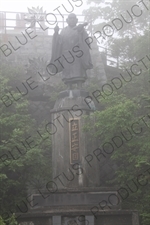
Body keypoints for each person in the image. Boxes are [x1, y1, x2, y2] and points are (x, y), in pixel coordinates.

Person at [49, 13, 93, 89]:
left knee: (78, 70)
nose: (72, 20)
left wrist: (81, 32)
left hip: (77, 54)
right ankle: (69, 86)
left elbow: (85, 40)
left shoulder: (80, 29)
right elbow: (59, 43)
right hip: (66, 55)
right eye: (70, 18)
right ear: (67, 20)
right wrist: (56, 33)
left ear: (76, 20)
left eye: (73, 19)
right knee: (67, 71)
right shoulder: (63, 31)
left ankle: (80, 86)